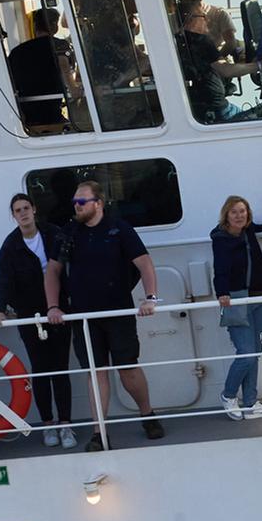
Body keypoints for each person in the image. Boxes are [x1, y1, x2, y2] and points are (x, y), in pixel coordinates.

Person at [43, 180, 162, 449]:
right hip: (84, 316)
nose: (77, 205)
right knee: (96, 373)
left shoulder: (119, 229)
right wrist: (53, 306)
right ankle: (99, 433)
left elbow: (144, 263)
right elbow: (52, 270)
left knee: (128, 370)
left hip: (118, 310)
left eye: (82, 201)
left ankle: (147, 414)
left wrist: (150, 298)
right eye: (75, 201)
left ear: (98, 203)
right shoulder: (68, 232)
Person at [0, 194, 74, 447]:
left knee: (60, 368)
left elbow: (71, 266)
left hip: (58, 310)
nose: (23, 213)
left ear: (34, 210)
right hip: (30, 315)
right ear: (13, 216)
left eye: (26, 208)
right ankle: (48, 425)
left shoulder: (53, 234)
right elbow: (3, 279)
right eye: (18, 210)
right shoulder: (10, 246)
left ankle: (66, 425)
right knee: (40, 369)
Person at [210, 195, 262, 421]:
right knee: (246, 353)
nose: (239, 215)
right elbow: (220, 269)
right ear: (226, 214)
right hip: (235, 299)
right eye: (234, 212)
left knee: (255, 353)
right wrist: (222, 293)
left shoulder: (249, 231)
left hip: (256, 297)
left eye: (242, 211)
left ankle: (251, 402)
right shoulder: (221, 238)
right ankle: (228, 395)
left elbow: (260, 227)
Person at [6, 7, 76, 131]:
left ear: (35, 25)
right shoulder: (59, 45)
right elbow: (65, 68)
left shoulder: (17, 52)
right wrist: (74, 89)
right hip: (53, 114)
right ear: (54, 24)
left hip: (27, 117)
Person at [175, 0, 239, 55]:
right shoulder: (176, 16)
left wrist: (216, 60)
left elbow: (231, 42)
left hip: (220, 59)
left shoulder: (219, 13)